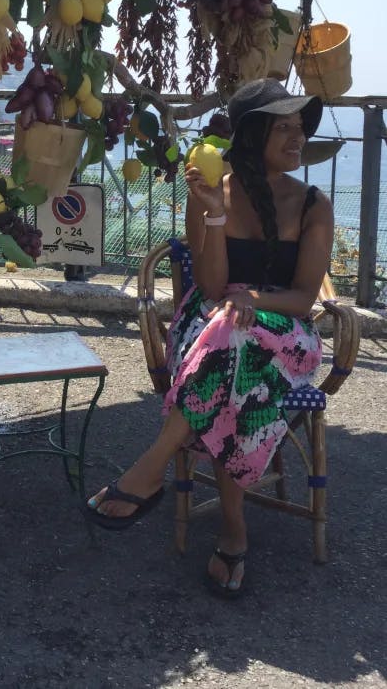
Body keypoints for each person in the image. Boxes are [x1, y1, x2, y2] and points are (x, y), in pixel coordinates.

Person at [85, 78, 334, 598]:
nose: (296, 138)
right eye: (282, 127)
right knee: (230, 345)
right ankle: (232, 532)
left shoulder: (314, 204)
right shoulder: (208, 195)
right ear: (251, 135)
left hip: (283, 334)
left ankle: (151, 468)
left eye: (299, 127)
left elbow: (304, 297)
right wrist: (214, 216)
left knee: (234, 336)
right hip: (212, 327)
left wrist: (253, 302)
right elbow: (215, 286)